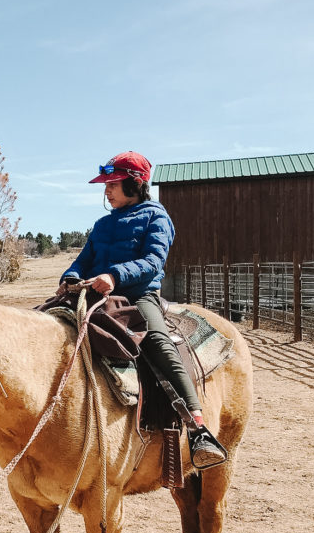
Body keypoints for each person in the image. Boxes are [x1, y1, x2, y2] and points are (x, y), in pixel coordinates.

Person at [58, 151, 226, 468]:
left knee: (158, 343)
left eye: (113, 184)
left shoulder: (156, 217)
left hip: (138, 297)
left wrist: (115, 276)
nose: (106, 190)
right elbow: (83, 260)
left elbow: (152, 262)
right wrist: (71, 276)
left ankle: (198, 427)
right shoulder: (102, 225)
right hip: (92, 296)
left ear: (135, 184)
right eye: (105, 184)